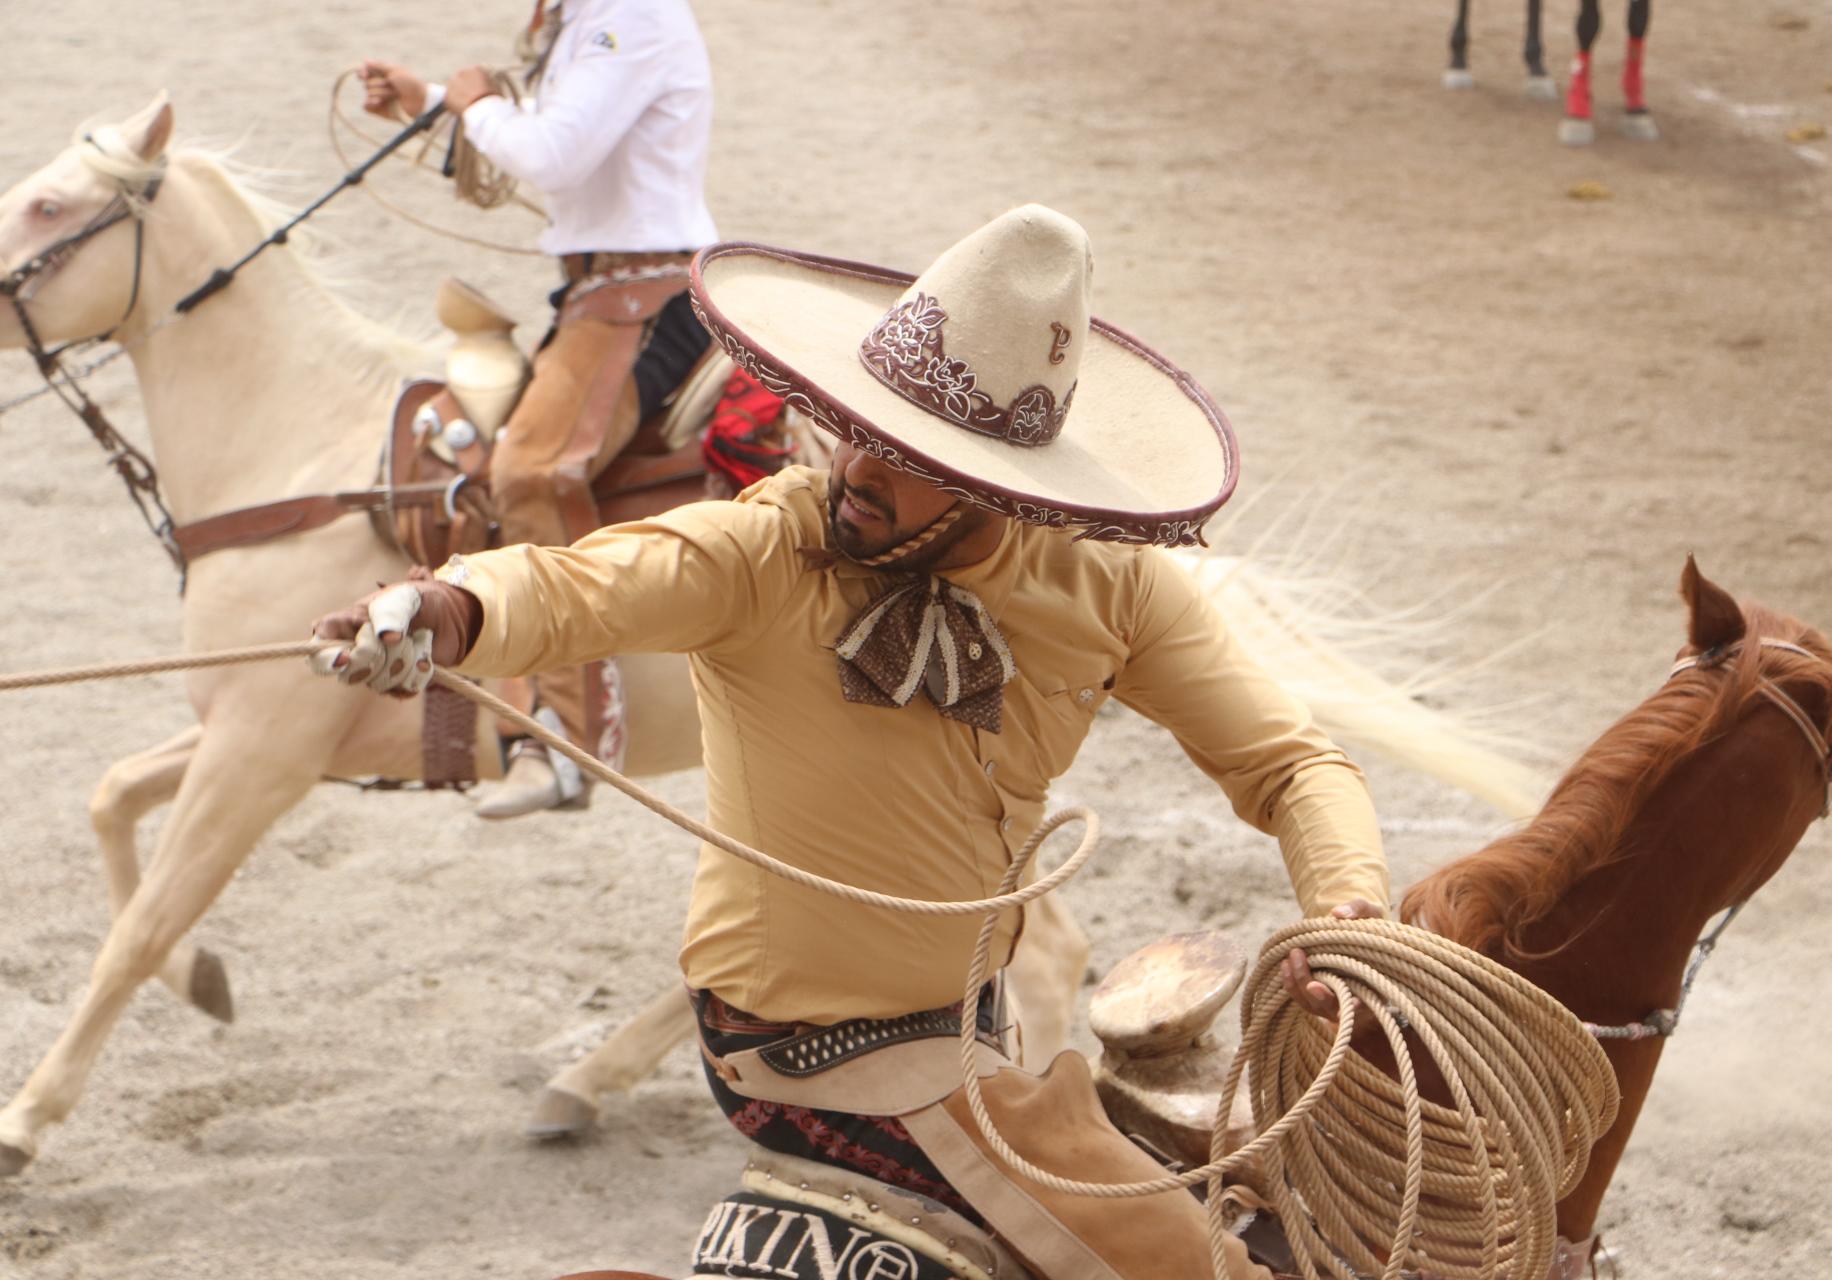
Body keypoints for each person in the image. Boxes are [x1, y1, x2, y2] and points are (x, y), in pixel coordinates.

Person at [311, 205, 1388, 1278]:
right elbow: (574, 582)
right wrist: (445, 605)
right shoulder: (769, 548)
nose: (854, 464)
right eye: (856, 423)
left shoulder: (1106, 584)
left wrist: (1351, 912)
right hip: (819, 1057)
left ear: (994, 487)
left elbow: (1291, 762)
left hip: (971, 1029)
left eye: (904, 450)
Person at [359, 0, 720, 817]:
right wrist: (429, 105)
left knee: (526, 471)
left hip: (638, 298)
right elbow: (565, 139)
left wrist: (476, 102)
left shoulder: (631, 15)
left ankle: (562, 733)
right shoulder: (594, 16)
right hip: (599, 291)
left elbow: (555, 155)